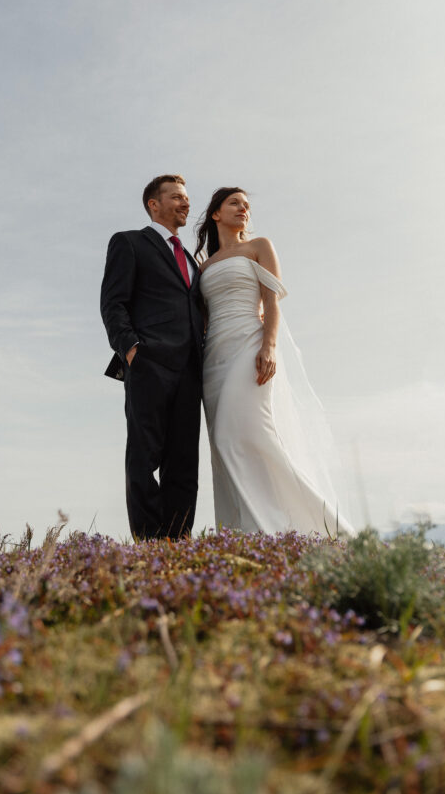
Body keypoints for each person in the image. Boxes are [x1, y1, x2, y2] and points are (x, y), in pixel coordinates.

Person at [195, 186, 354, 536]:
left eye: (247, 205)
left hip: (250, 346)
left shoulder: (259, 246)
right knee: (223, 449)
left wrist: (269, 346)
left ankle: (307, 528)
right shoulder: (203, 266)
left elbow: (273, 302)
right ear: (216, 214)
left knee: (243, 434)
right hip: (213, 359)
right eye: (235, 203)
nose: (244, 209)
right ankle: (243, 532)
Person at [100, 175, 204, 539]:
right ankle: (149, 540)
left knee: (184, 461)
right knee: (143, 458)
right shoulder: (129, 242)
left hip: (191, 371)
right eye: (177, 197)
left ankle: (177, 540)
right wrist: (130, 349)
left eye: (187, 198)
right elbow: (113, 304)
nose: (186, 203)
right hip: (148, 364)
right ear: (153, 204)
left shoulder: (192, 261)